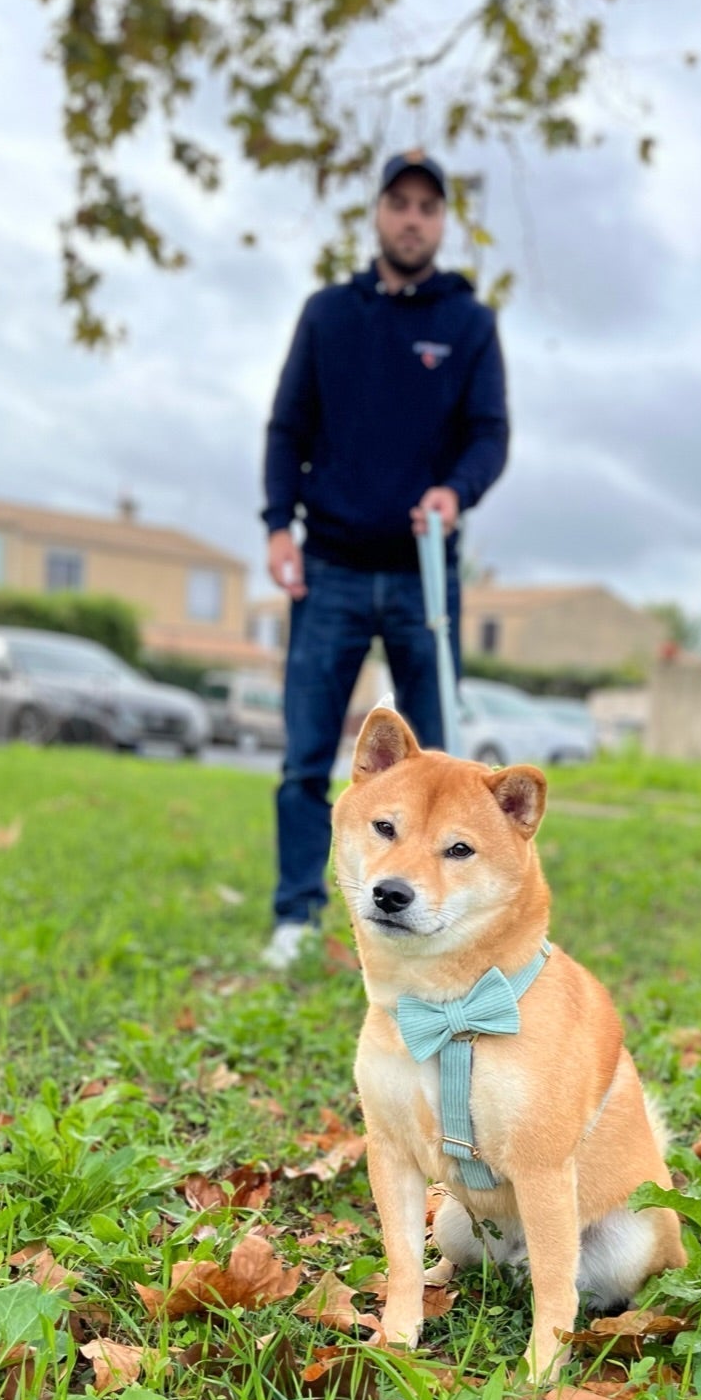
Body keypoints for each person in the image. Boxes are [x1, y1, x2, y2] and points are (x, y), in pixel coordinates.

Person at [259, 149, 511, 969]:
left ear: (442, 223)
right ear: (378, 214)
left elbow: (489, 434)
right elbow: (287, 427)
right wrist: (277, 525)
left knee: (446, 767)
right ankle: (295, 917)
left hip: (423, 576)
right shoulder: (329, 314)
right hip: (328, 566)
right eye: (398, 203)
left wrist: (455, 491)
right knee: (307, 755)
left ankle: (441, 918)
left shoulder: (469, 325)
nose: (412, 218)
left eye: (427, 208)